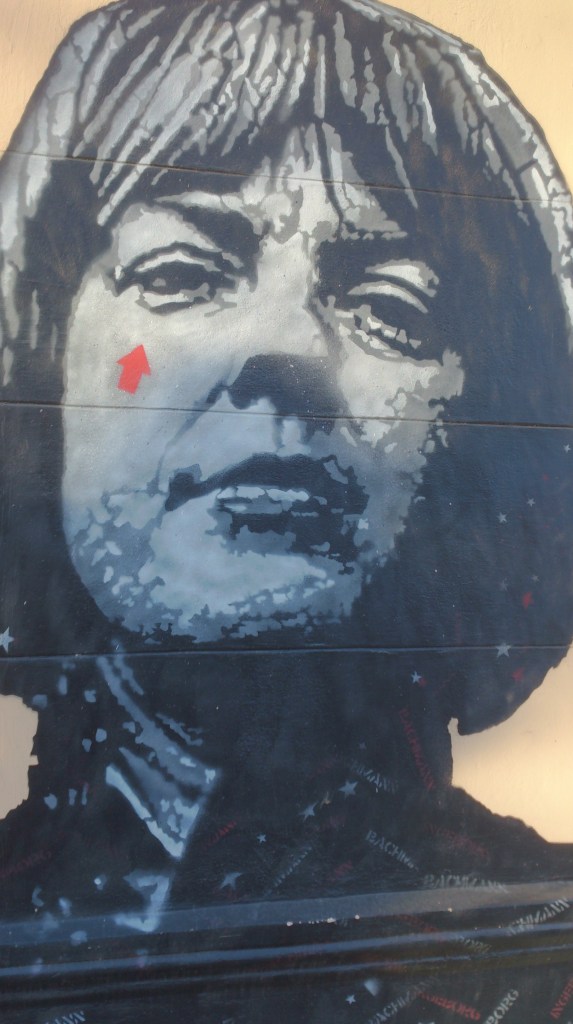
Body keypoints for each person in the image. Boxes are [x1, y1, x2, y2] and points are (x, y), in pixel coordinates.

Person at [0, 0, 572, 953]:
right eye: (180, 273)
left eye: (392, 308)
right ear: (39, 352)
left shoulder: (538, 957)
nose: (287, 352)